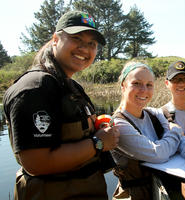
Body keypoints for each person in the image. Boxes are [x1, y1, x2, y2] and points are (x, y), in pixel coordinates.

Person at [3, 10, 120, 200]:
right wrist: (97, 143)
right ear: (55, 39)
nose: (85, 48)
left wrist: (97, 127)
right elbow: (36, 163)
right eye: (77, 38)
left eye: (92, 44)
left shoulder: (72, 87)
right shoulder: (35, 88)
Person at [111, 61, 185, 200]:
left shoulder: (154, 113)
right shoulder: (118, 125)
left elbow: (181, 141)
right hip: (135, 195)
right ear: (123, 86)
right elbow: (158, 154)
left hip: (161, 191)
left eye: (149, 85)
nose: (144, 90)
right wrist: (175, 131)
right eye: (136, 83)